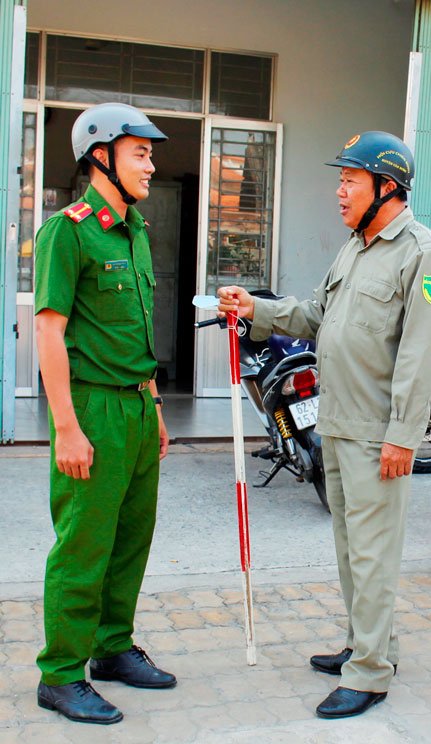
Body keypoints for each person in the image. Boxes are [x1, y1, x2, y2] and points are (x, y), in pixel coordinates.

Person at [217, 131, 431, 719]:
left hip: (379, 433)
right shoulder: (355, 248)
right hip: (339, 421)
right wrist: (255, 308)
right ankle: (370, 645)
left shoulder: (422, 255)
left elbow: (421, 356)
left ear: (387, 187)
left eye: (351, 180)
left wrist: (404, 436)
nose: (340, 191)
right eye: (341, 180)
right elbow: (316, 316)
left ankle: (369, 674)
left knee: (373, 555)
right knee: (352, 550)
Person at [34, 102, 175, 726]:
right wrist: (66, 426)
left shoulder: (135, 230)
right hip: (93, 408)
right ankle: (61, 674)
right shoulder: (67, 231)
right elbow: (49, 331)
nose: (150, 164)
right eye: (140, 152)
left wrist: (156, 403)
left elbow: (135, 329)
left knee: (130, 539)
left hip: (138, 407)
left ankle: (112, 647)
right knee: (83, 544)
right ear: (101, 155)